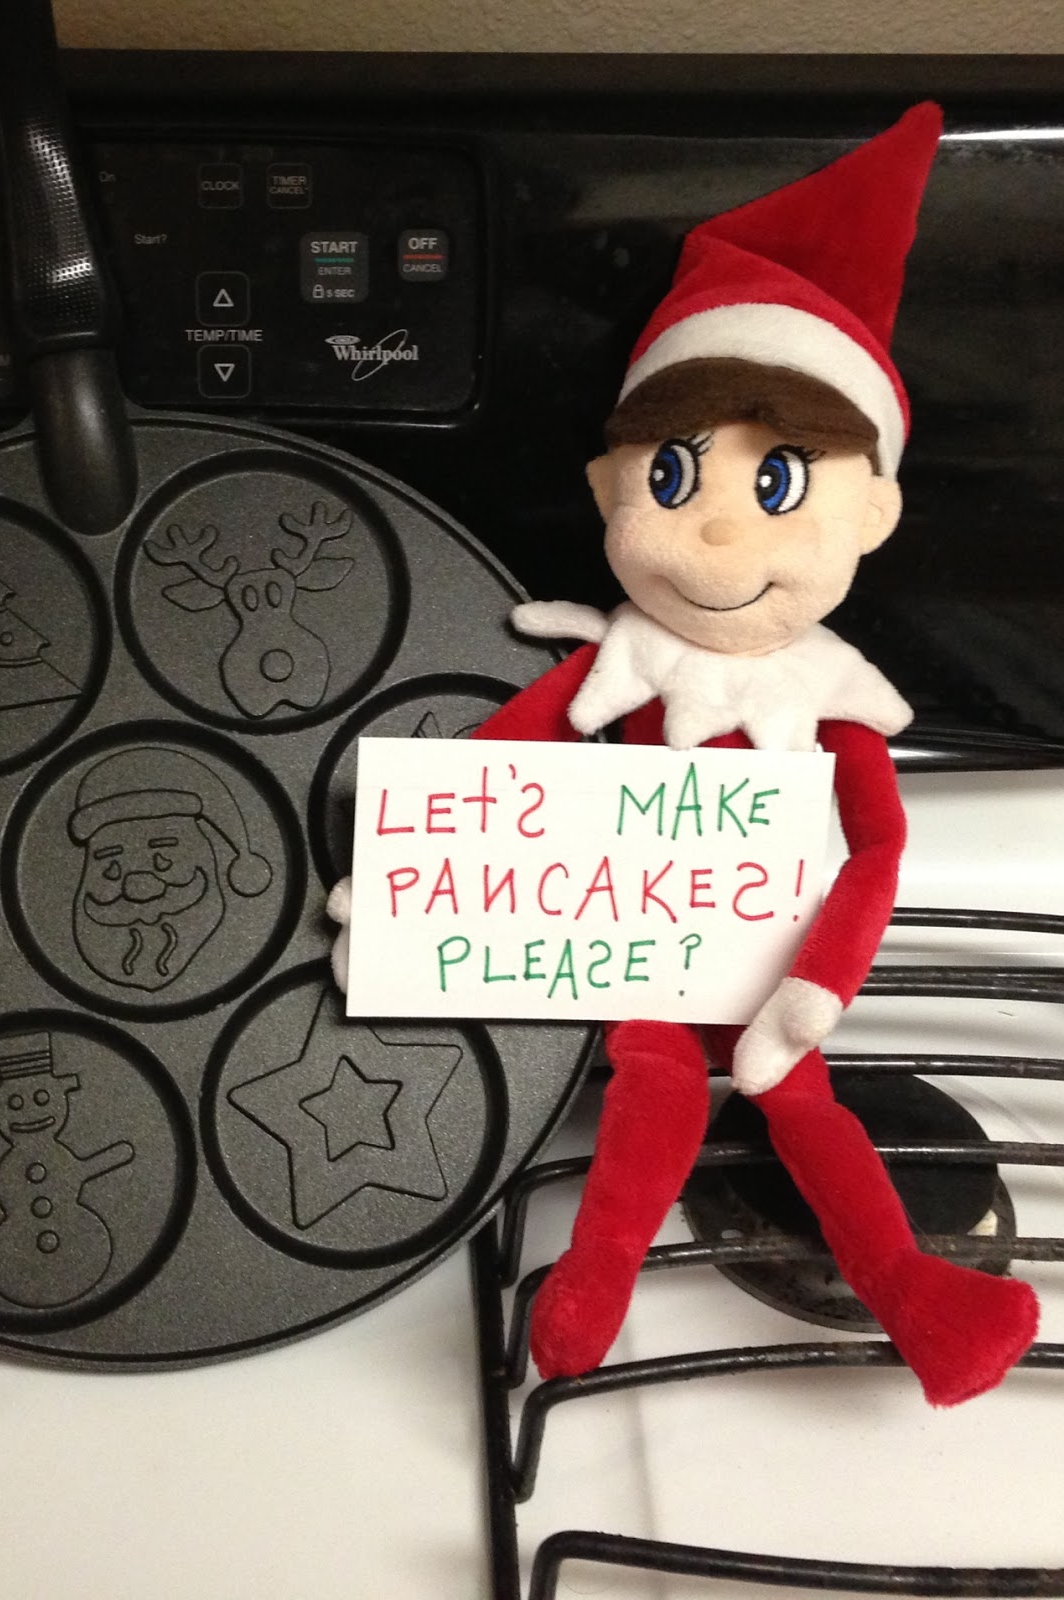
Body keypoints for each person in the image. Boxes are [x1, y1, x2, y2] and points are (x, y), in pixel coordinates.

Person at [331, 103, 1038, 1406]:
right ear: (613, 488)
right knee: (649, 1089)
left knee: (804, 1104)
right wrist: (399, 884)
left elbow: (877, 844)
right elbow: (502, 765)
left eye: (776, 484)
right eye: (673, 478)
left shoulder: (828, 699)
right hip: (638, 963)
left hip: (771, 971)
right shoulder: (616, 665)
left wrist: (815, 986)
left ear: (870, 510)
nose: (714, 535)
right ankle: (594, 1287)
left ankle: (915, 1295)